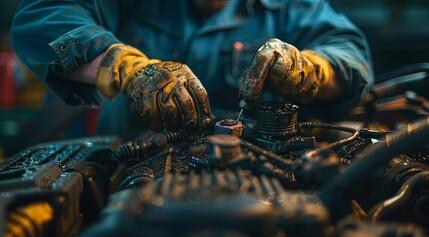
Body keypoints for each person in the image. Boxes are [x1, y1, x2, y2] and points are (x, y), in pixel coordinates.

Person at [11, 0, 373, 139]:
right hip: (131, 164)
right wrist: (126, 68)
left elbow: (351, 56)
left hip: (266, 173)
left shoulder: (292, 6)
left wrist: (310, 72)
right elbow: (41, 16)